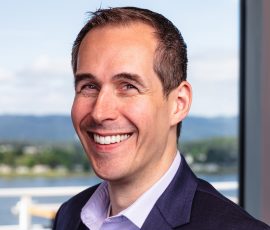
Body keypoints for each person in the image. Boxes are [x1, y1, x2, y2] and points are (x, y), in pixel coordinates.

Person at [53, 7, 270, 230]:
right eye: (89, 86)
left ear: (179, 103)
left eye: (128, 86)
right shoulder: (69, 215)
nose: (100, 112)